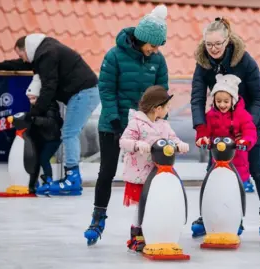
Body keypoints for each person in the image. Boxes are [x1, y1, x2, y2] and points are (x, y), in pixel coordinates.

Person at [84, 4, 169, 245]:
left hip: (145, 127)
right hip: (113, 123)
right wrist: (114, 119)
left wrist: (160, 122)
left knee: (149, 175)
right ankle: (98, 216)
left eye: (159, 46)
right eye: (153, 45)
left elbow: (161, 93)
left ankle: (143, 223)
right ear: (142, 39)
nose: (155, 50)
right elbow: (107, 89)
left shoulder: (158, 60)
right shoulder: (114, 55)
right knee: (107, 171)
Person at [190, 17, 260, 241]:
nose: (213, 49)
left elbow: (258, 98)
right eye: (209, 44)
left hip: (250, 123)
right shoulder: (203, 63)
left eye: (218, 44)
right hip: (219, 125)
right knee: (213, 171)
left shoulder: (246, 62)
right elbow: (197, 97)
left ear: (227, 40)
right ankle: (206, 216)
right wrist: (201, 128)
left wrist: (245, 123)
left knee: (256, 169)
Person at [0, 33, 100, 196]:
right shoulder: (44, 51)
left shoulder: (47, 54)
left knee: (69, 133)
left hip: (84, 93)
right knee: (69, 133)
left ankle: (72, 178)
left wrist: (33, 114)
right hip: (83, 92)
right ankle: (72, 178)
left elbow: (49, 87)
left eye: (21, 55)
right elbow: (22, 65)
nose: (23, 59)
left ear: (27, 49)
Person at [107, 86, 189, 251]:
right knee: (141, 205)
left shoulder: (164, 125)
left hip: (160, 174)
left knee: (157, 204)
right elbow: (123, 141)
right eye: (167, 107)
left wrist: (179, 145)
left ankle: (156, 231)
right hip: (141, 174)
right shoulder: (136, 123)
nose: (168, 110)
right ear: (158, 108)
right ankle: (137, 235)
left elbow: (172, 139)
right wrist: (137, 145)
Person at [195, 74, 257, 234]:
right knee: (214, 191)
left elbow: (250, 131)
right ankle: (208, 218)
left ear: (233, 100)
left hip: (237, 162)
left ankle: (237, 221)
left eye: (226, 101)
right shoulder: (211, 116)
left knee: (234, 194)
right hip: (216, 161)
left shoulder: (242, 115)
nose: (222, 105)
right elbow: (205, 132)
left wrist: (245, 141)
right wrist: (203, 139)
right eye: (218, 101)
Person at [23, 75, 63, 195]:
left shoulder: (50, 105)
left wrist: (34, 119)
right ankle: (36, 181)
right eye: (29, 99)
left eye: (33, 98)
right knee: (37, 159)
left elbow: (51, 122)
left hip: (52, 139)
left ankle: (48, 180)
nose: (31, 102)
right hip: (44, 139)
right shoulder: (36, 106)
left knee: (44, 158)